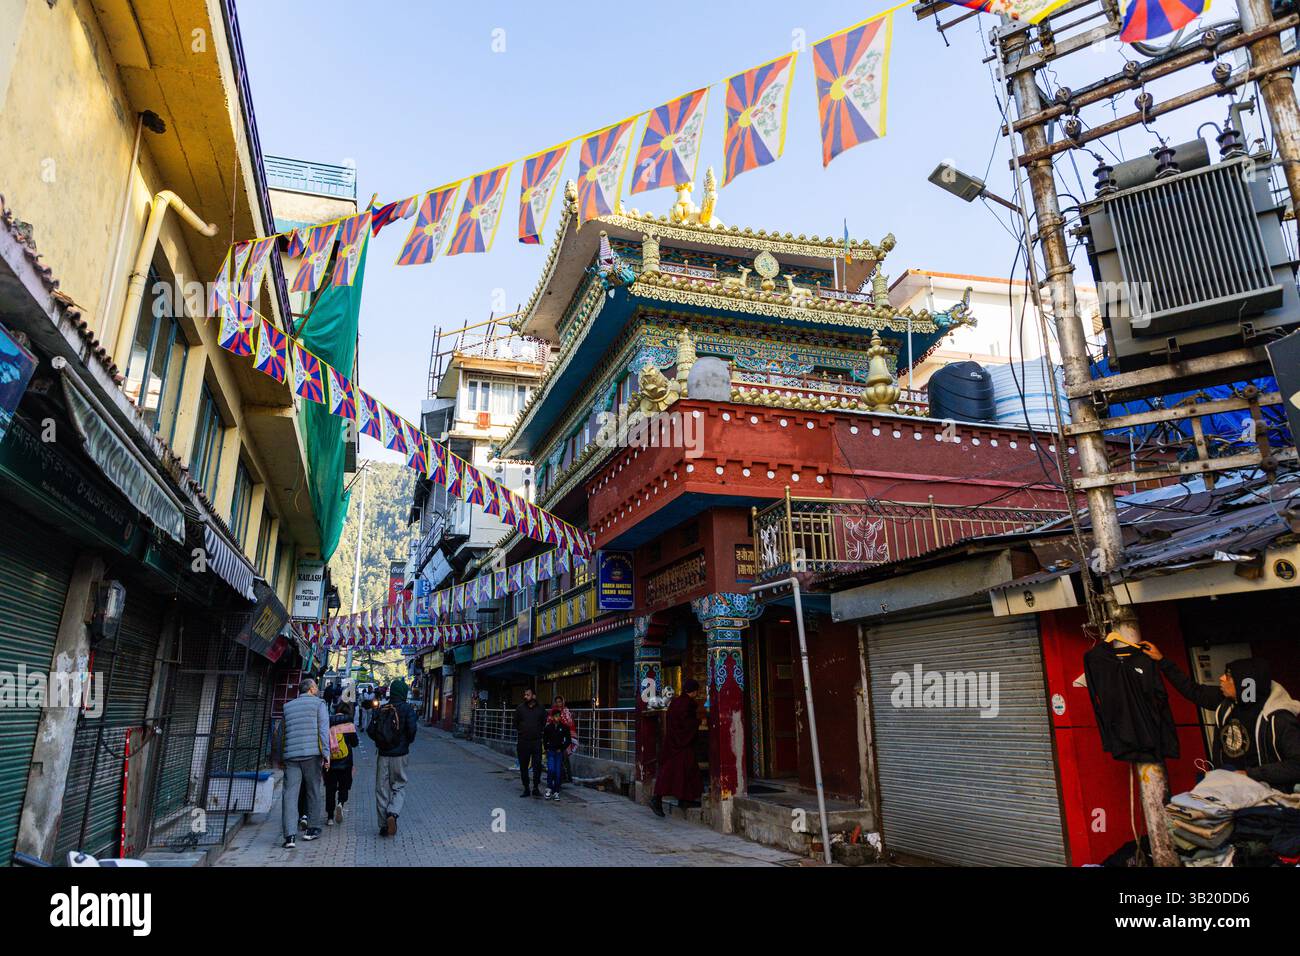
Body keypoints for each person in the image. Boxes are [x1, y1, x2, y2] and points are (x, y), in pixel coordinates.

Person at [1142, 644, 1300, 791]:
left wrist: (1251, 774)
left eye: (1229, 676)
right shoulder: (1228, 703)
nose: (1222, 678)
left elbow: (1296, 765)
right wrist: (1162, 661)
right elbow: (1193, 690)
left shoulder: (1279, 718)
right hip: (1231, 791)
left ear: (1245, 684)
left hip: (1268, 797)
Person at [279, 678, 330, 848]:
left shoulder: (287, 706)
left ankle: (289, 836)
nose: (317, 689)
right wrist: (326, 754)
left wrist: (280, 756)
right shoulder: (319, 704)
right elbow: (323, 730)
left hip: (291, 756)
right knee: (313, 791)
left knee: (290, 795)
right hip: (312, 755)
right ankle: (312, 829)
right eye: (316, 686)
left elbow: (281, 734)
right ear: (311, 689)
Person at [367, 677, 418, 836]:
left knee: (381, 789)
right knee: (399, 786)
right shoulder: (407, 709)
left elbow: (370, 730)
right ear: (403, 692)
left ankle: (383, 825)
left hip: (383, 755)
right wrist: (405, 743)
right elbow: (412, 730)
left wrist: (381, 742)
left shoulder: (382, 709)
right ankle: (393, 813)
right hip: (401, 755)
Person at [650, 679, 702, 818]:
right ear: (694, 691)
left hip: (672, 742)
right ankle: (658, 799)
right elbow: (686, 724)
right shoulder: (687, 704)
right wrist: (698, 722)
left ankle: (684, 799)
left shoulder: (676, 702)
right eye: (696, 691)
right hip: (682, 744)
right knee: (679, 771)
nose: (697, 694)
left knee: (674, 771)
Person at [325, 702, 359, 825]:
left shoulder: (327, 723)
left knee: (330, 788)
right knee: (344, 786)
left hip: (330, 761)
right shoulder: (349, 725)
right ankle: (340, 803)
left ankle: (329, 817)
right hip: (346, 762)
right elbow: (355, 743)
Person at [514, 688, 548, 798]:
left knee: (537, 765)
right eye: (525, 694)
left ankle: (536, 788)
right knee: (523, 766)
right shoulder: (520, 708)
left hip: (536, 741)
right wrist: (522, 731)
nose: (525, 696)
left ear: (534, 696)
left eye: (528, 695)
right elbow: (516, 723)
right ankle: (526, 788)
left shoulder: (541, 709)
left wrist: (537, 731)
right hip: (523, 742)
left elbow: (544, 722)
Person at [543, 707, 572, 801]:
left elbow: (568, 740)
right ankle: (549, 789)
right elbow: (545, 739)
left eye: (558, 716)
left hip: (559, 752)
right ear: (552, 717)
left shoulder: (564, 727)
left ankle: (556, 792)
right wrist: (547, 748)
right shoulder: (548, 727)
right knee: (551, 770)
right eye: (555, 716)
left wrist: (562, 748)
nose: (557, 718)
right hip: (551, 752)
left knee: (558, 772)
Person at [553, 695, 578, 783]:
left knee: (564, 756)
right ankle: (559, 777)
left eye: (560, 701)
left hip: (565, 737)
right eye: (557, 702)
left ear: (563, 702)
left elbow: (570, 724)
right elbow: (550, 722)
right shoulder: (553, 711)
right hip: (555, 737)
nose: (558, 703)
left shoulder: (566, 711)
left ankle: (565, 777)